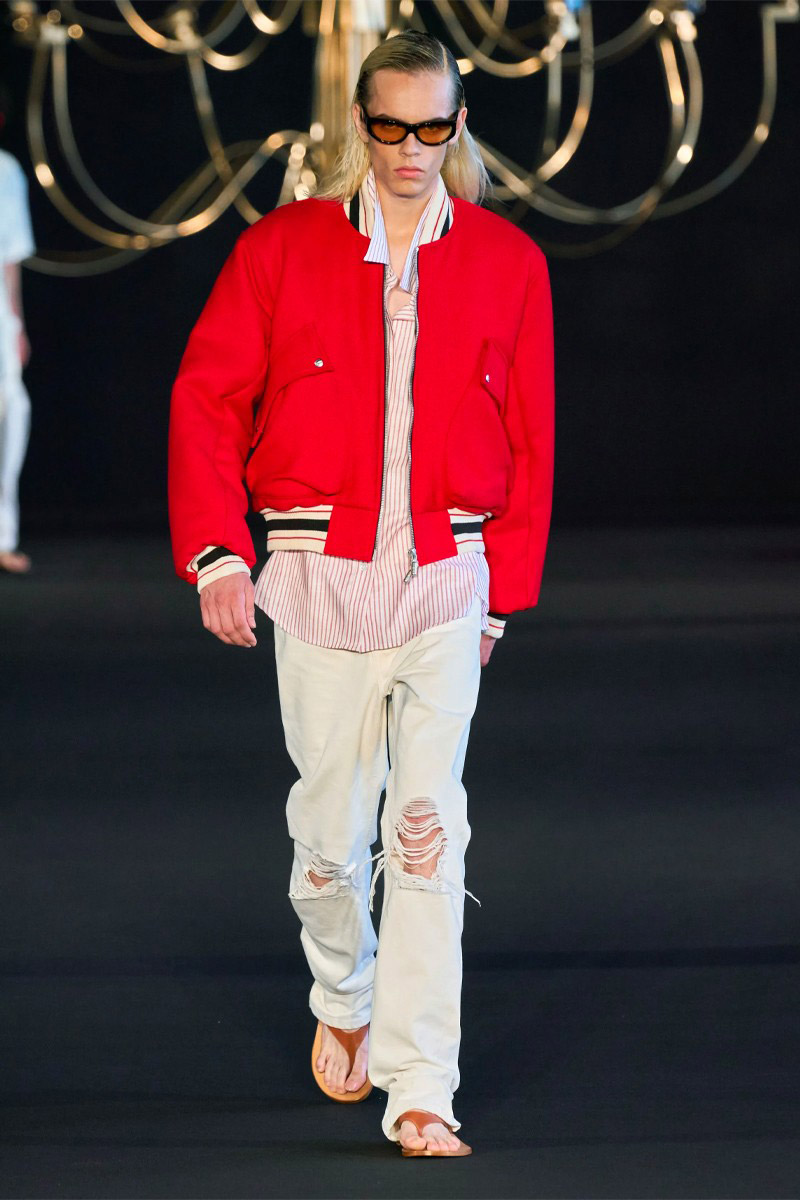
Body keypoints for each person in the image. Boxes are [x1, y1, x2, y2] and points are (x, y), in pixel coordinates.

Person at [168, 29, 554, 1157]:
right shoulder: (281, 248)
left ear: (458, 124)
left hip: (444, 576)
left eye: (432, 127)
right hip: (316, 576)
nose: (411, 149)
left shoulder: (506, 262)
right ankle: (343, 991)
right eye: (391, 126)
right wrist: (217, 554)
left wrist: (498, 596)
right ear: (360, 123)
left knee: (430, 831)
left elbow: (529, 438)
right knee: (329, 842)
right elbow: (207, 398)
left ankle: (421, 1082)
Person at [0, 97, 35, 574]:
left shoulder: (6, 170)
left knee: (12, 411)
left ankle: (3, 535)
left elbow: (11, 255)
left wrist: (17, 322)